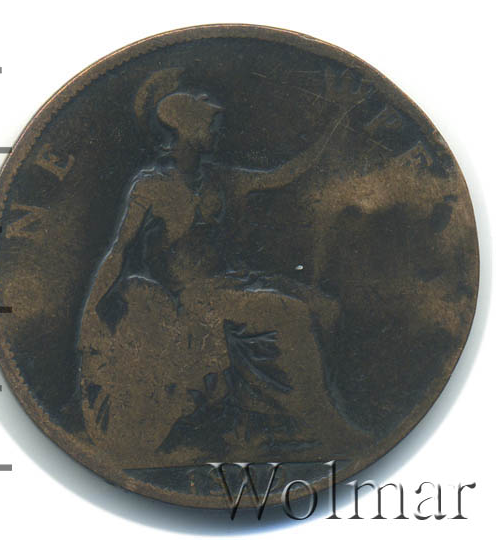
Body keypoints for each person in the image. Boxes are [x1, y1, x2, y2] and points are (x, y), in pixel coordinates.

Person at [77, 68, 372, 468]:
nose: (218, 134)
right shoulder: (151, 188)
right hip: (194, 297)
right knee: (291, 314)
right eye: (211, 126)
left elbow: (285, 176)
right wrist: (93, 311)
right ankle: (323, 427)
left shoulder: (219, 178)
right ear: (187, 129)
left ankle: (281, 423)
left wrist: (338, 116)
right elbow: (119, 251)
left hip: (233, 283)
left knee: (325, 308)